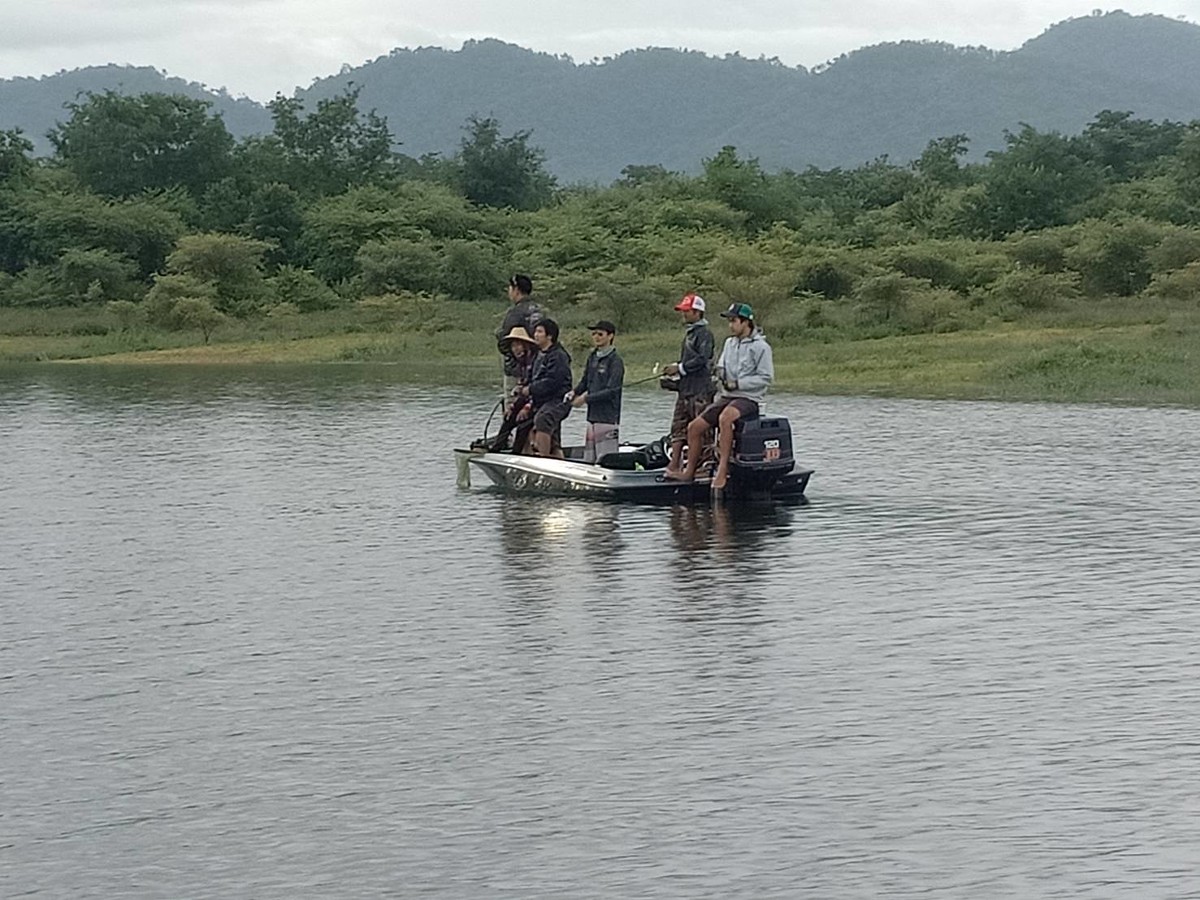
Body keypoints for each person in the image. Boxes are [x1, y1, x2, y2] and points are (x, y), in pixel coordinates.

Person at [667, 302, 774, 491]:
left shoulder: (761, 347)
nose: (730, 325)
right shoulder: (729, 343)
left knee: (725, 418)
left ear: (746, 322)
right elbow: (722, 365)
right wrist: (721, 375)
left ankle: (722, 470)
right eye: (729, 321)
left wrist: (738, 383)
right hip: (727, 395)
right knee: (694, 427)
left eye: (734, 321)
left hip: (749, 399)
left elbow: (766, 378)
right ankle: (689, 471)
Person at [661, 293, 715, 477]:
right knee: (678, 427)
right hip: (686, 389)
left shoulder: (705, 334)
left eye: (687, 311)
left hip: (701, 391)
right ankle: (674, 465)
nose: (683, 314)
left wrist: (679, 367)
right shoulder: (690, 333)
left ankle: (703, 467)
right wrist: (675, 377)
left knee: (702, 429)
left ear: (697, 312)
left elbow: (702, 359)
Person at [567, 320, 625, 463]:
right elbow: (585, 382)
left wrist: (585, 399)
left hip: (608, 417)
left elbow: (611, 391)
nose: (596, 337)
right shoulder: (592, 357)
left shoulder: (615, 361)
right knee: (589, 459)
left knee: (605, 459)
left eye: (600, 334)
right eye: (594, 334)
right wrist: (574, 393)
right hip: (592, 417)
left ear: (610, 336)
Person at [520, 318, 573, 457]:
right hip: (541, 400)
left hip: (558, 399)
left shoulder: (558, 356)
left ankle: (543, 458)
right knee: (552, 437)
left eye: (539, 332)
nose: (536, 335)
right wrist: (523, 387)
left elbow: (553, 382)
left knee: (543, 420)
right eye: (535, 332)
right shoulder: (538, 354)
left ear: (549, 336)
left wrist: (531, 389)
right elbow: (531, 376)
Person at [486, 325, 539, 452]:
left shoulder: (535, 360)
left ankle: (517, 452)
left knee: (523, 422)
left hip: (539, 399)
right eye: (513, 346)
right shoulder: (521, 363)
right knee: (509, 417)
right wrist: (512, 406)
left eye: (518, 345)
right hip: (527, 397)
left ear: (525, 345)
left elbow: (538, 387)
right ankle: (498, 447)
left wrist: (527, 407)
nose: (516, 349)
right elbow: (522, 385)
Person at [495, 274, 542, 400]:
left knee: (513, 407)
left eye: (510, 288)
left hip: (516, 370)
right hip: (538, 367)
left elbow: (504, 340)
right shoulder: (540, 310)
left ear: (516, 289)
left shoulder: (515, 312)